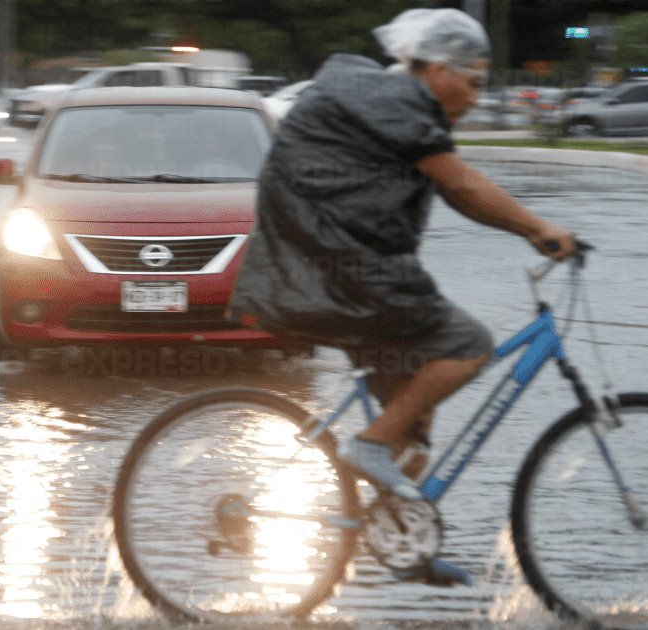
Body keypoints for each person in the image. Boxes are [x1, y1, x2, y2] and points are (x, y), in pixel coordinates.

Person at [228, 9, 575, 501]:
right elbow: (463, 184)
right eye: (472, 83)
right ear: (438, 71)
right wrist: (540, 229)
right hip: (344, 271)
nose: (475, 99)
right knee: (469, 345)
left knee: (412, 435)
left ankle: (401, 542)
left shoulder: (384, 100)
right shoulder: (399, 104)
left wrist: (526, 230)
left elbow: (455, 191)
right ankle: (369, 447)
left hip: (323, 264)